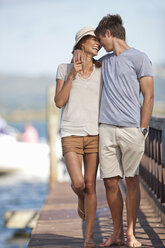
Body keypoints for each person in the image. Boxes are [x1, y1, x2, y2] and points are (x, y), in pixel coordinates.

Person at [74, 14, 154, 247]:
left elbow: (148, 96)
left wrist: (143, 128)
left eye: (100, 39)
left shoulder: (140, 58)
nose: (99, 45)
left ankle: (131, 234)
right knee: (110, 182)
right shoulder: (104, 62)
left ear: (109, 33)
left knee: (132, 180)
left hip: (132, 129)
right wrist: (78, 52)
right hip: (106, 129)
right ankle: (116, 233)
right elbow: (84, 62)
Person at [54, 27, 103, 248]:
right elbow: (59, 102)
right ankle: (81, 198)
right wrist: (72, 75)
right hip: (71, 133)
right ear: (81, 42)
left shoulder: (103, 69)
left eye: (99, 40)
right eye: (94, 39)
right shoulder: (64, 68)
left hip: (95, 134)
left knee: (91, 185)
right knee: (79, 183)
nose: (98, 43)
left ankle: (89, 237)